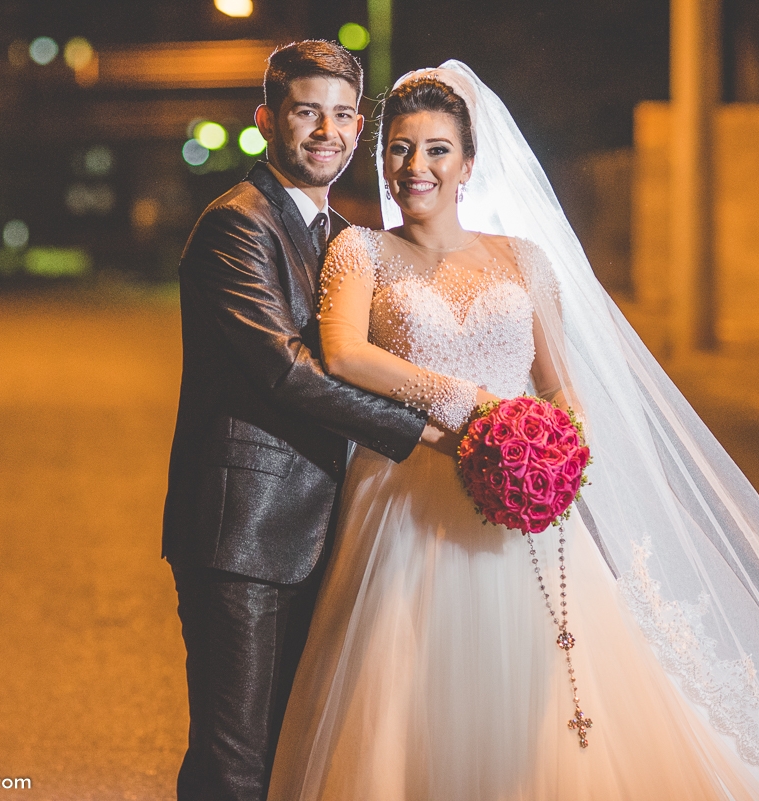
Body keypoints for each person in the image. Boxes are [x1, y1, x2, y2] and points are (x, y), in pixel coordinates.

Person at [266, 63, 759, 800]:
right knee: (408, 685)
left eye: (435, 149)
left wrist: (557, 450)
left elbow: (559, 386)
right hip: (405, 494)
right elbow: (345, 355)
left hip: (520, 500)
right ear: (382, 157)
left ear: (468, 162)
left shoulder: (524, 259)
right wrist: (473, 406)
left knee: (545, 695)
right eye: (399, 148)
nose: (415, 167)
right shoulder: (359, 252)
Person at [162, 41, 453, 801]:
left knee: (294, 750)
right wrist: (417, 425)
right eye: (306, 112)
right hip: (244, 533)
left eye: (343, 114)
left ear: (359, 129)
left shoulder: (340, 237)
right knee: (236, 760)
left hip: (323, 527)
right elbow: (285, 370)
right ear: (266, 120)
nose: (326, 130)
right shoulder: (236, 225)